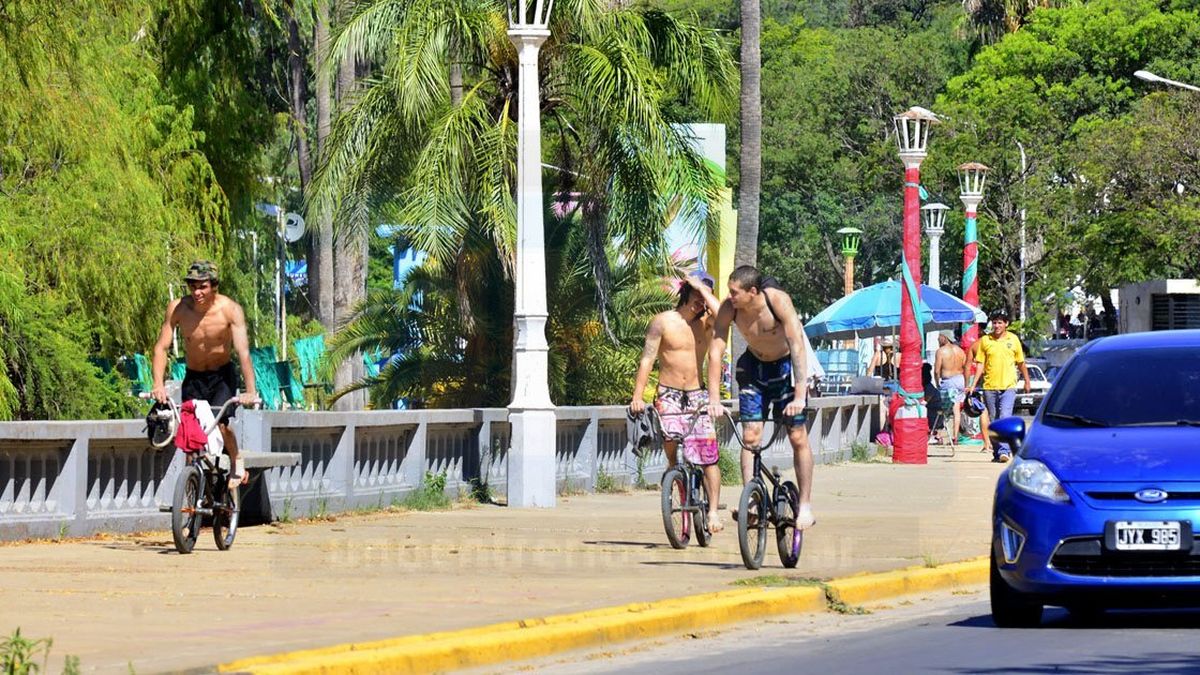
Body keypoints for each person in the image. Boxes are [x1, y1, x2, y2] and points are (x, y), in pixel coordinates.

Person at [706, 266, 816, 530]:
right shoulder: (729, 309)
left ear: (752, 292)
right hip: (753, 368)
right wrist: (713, 398)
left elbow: (798, 346)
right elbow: (715, 351)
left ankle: (805, 505)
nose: (729, 296)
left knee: (797, 435)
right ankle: (753, 499)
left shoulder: (777, 301)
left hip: (785, 368)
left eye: (734, 292)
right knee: (750, 437)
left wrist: (799, 396)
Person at [151, 260, 259, 488]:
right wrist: (157, 384)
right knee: (190, 435)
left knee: (223, 426)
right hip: (194, 377)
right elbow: (161, 347)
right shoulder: (178, 308)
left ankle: (236, 458)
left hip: (222, 378)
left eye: (203, 286)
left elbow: (243, 352)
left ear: (214, 285)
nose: (197, 292)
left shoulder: (230, 310)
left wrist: (251, 391)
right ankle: (193, 490)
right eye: (193, 286)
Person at [630, 273, 723, 533]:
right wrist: (637, 396)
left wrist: (703, 291)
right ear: (684, 292)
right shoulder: (662, 322)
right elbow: (647, 359)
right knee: (672, 446)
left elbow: (723, 313)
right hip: (668, 394)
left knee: (708, 457)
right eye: (695, 296)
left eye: (703, 297)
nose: (700, 303)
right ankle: (676, 478)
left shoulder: (707, 323)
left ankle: (713, 512)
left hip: (697, 395)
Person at [967, 309, 1031, 463]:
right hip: (989, 386)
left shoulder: (1013, 339)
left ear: (1006, 324)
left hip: (1009, 386)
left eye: (1000, 322)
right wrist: (972, 385)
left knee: (1004, 417)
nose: (996, 325)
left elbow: (1021, 363)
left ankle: (1004, 450)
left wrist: (1027, 381)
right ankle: (997, 452)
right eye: (994, 322)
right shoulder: (985, 341)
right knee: (994, 421)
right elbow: (980, 365)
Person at [934, 330, 967, 445]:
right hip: (960, 379)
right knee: (956, 409)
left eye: (939, 337)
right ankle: (955, 436)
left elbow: (937, 370)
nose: (938, 339)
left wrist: (937, 382)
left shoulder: (941, 351)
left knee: (944, 408)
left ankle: (939, 434)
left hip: (948, 381)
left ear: (945, 337)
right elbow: (965, 367)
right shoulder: (961, 351)